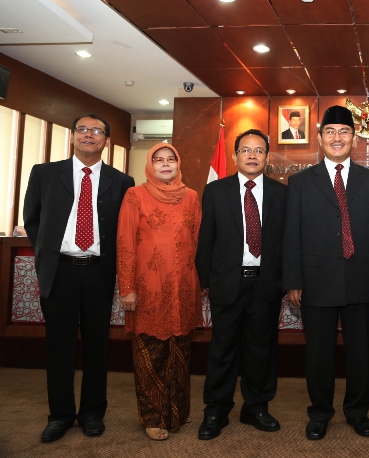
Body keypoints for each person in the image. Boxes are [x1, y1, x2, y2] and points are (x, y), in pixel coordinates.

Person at [23, 114, 134, 443]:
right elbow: (32, 220)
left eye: (97, 131)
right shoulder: (45, 173)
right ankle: (60, 414)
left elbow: (125, 230)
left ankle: (92, 413)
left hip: (99, 271)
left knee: (98, 346)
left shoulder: (122, 181)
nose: (89, 135)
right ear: (72, 136)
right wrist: (47, 255)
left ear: (106, 141)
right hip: (60, 272)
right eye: (82, 129)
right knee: (59, 346)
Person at [283, 105, 369, 441]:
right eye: (330, 132)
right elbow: (291, 235)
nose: (337, 137)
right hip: (316, 281)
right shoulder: (300, 182)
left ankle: (358, 413)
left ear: (354, 138)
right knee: (318, 355)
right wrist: (293, 280)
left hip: (360, 279)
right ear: (319, 139)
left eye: (344, 132)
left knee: (359, 353)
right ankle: (319, 414)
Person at [195, 129, 287, 440]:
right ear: (235, 156)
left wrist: (286, 280)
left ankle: (256, 407)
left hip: (266, 283)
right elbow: (206, 238)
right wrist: (204, 280)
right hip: (226, 282)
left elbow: (287, 241)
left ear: (267, 157)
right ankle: (216, 410)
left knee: (261, 350)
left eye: (258, 150)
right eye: (245, 150)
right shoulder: (215, 191)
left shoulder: (281, 193)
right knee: (222, 349)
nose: (252, 155)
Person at [116, 143, 202, 440]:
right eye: (158, 160)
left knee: (180, 353)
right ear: (150, 166)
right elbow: (125, 243)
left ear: (178, 164)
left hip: (184, 287)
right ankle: (152, 417)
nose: (165, 164)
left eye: (170, 159)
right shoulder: (135, 195)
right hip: (148, 288)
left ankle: (177, 413)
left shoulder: (191, 197)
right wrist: (127, 288)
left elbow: (198, 241)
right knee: (150, 356)